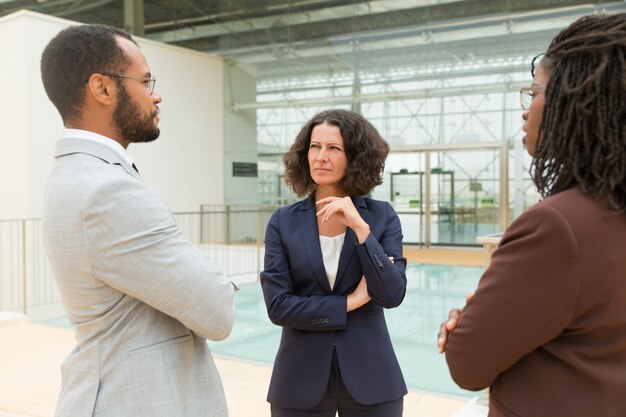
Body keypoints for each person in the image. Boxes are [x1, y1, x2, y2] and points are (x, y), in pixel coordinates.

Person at [40, 24, 236, 417]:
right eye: (146, 81)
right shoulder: (106, 190)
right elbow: (218, 311)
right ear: (103, 88)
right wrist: (216, 280)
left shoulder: (79, 176)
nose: (156, 94)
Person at [438, 13, 626, 417]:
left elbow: (467, 365)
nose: (526, 111)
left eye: (534, 92)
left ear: (574, 100)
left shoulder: (558, 225)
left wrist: (466, 320)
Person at [260, 109, 407, 417]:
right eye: (315, 146)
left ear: (355, 157)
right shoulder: (282, 223)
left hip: (373, 379)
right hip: (298, 382)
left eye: (333, 148)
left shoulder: (381, 217)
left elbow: (392, 294)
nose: (320, 157)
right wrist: (351, 302)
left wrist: (361, 229)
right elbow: (279, 306)